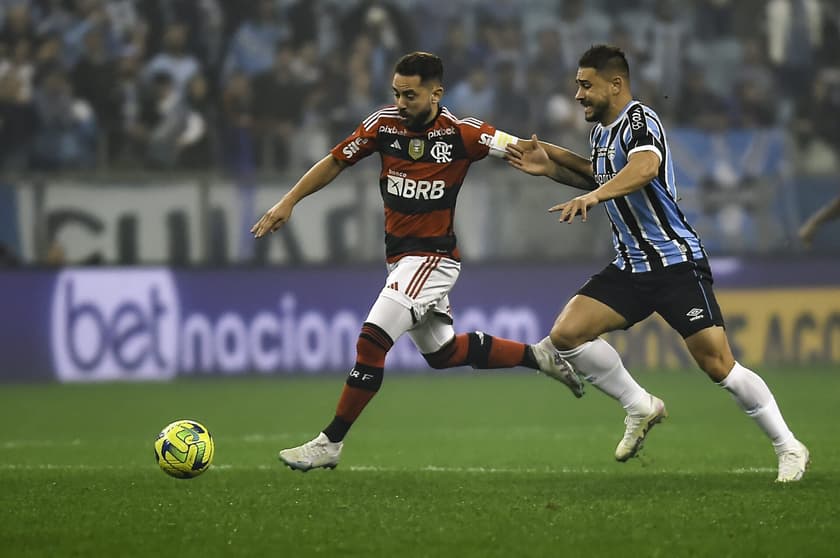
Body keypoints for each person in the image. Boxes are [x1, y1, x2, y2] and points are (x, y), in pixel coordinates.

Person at [251, 51, 593, 472]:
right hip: (400, 260)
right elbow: (337, 160)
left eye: (410, 95)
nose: (400, 102)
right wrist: (289, 200)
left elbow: (532, 151)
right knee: (443, 352)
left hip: (432, 258)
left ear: (436, 93)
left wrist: (598, 178)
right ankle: (538, 356)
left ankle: (330, 443)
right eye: (396, 93)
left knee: (371, 340)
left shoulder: (464, 133)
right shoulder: (382, 125)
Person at [505, 45, 809, 482]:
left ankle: (788, 446)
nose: (578, 95)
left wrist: (593, 196)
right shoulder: (601, 133)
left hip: (675, 263)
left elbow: (645, 168)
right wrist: (549, 162)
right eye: (577, 85)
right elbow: (597, 173)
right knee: (567, 334)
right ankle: (640, 405)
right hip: (631, 267)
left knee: (718, 364)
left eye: (585, 85)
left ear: (616, 84)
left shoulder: (639, 120)